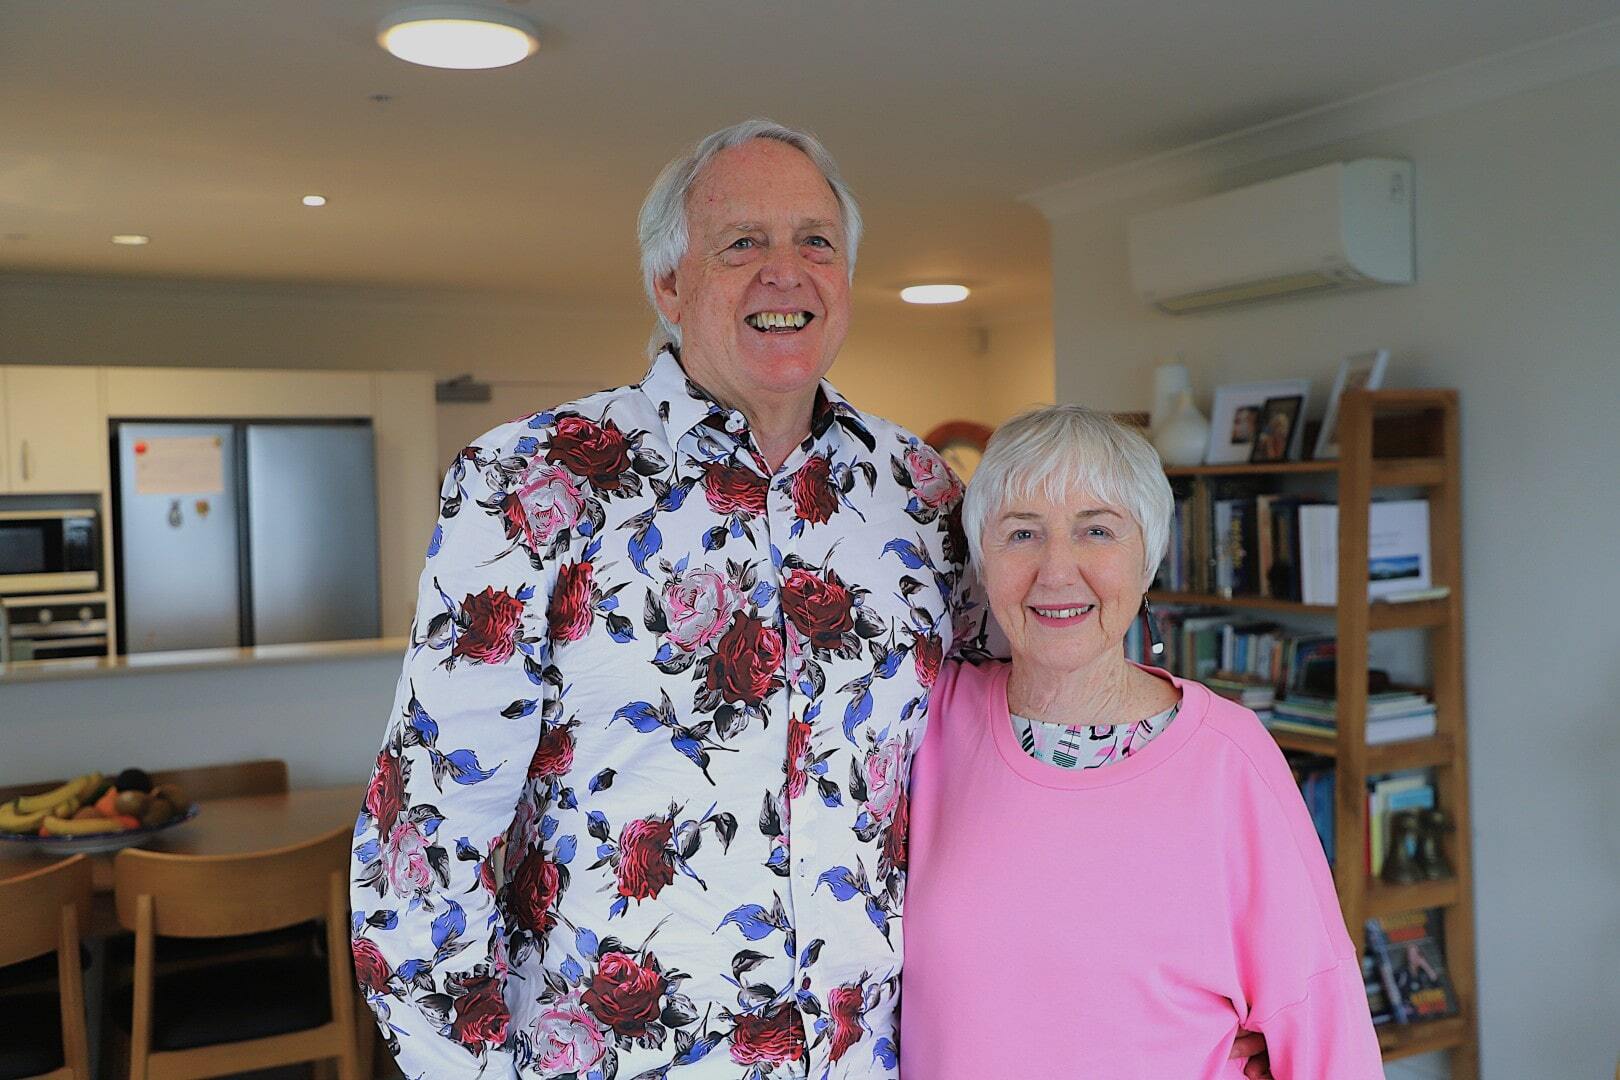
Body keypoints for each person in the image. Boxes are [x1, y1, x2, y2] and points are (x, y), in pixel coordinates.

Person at [349, 119, 1270, 1080]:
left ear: (845, 282)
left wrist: (1187, 981)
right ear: (669, 285)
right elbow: (420, 841)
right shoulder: (529, 484)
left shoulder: (923, 495)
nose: (784, 271)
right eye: (742, 242)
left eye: (815, 242)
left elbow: (1036, 733)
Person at [901, 404, 1383, 1078]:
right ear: (983, 556)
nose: (1056, 571)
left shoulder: (1227, 757)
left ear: (1148, 555)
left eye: (1097, 529)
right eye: (1022, 533)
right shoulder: (926, 721)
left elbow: (1321, 1015)